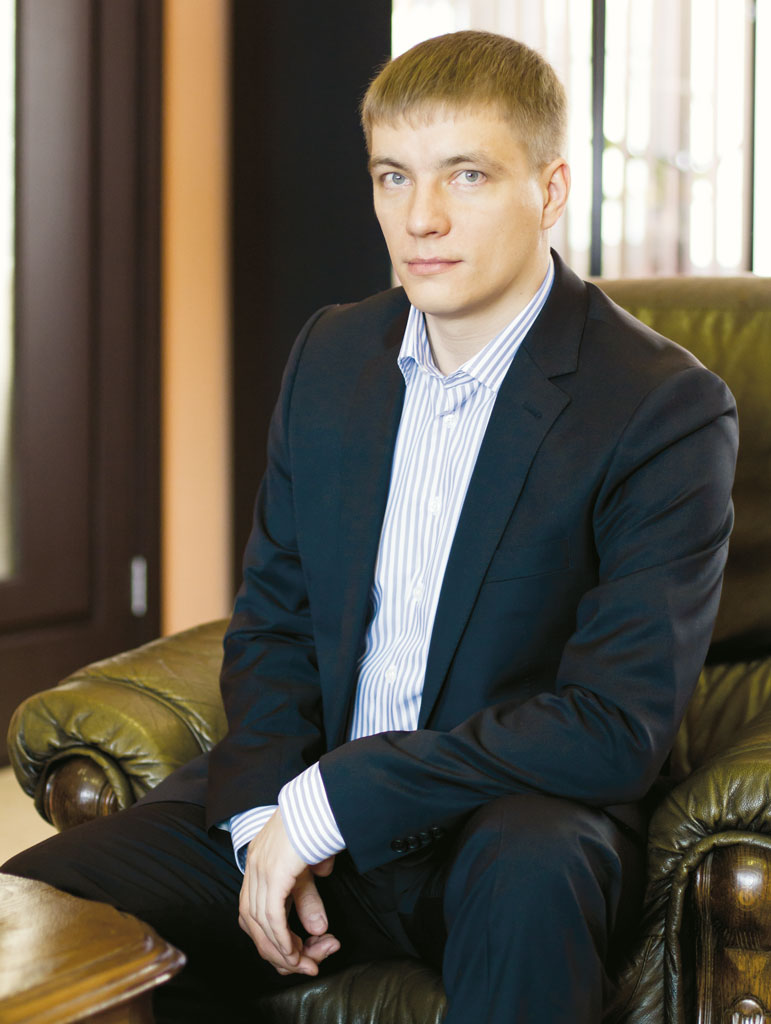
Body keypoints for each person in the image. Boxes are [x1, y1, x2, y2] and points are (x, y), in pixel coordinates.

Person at [4, 30, 737, 1023]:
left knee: (534, 879)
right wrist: (264, 820)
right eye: (394, 176)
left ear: (551, 190)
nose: (420, 218)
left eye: (467, 175)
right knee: (34, 915)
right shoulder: (331, 354)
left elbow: (613, 726)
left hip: (505, 827)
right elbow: (275, 621)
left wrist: (335, 799)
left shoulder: (661, 407)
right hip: (305, 809)